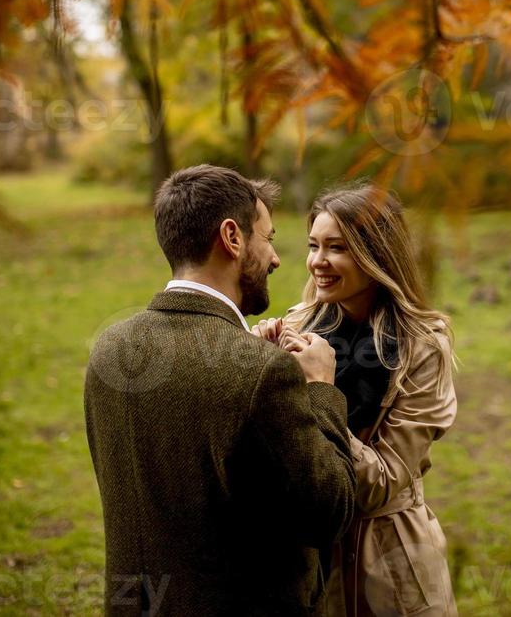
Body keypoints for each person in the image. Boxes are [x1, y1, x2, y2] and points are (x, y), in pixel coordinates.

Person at [84, 165, 356, 617]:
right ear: (232, 238)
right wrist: (319, 388)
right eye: (267, 238)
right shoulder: (262, 373)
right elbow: (329, 510)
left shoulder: (110, 348)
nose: (276, 259)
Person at [253, 183, 457, 617]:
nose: (317, 262)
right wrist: (259, 368)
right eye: (313, 246)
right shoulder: (298, 325)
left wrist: (318, 390)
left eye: (337, 248)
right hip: (304, 555)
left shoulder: (422, 348)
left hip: (388, 563)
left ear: (376, 255)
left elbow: (381, 483)